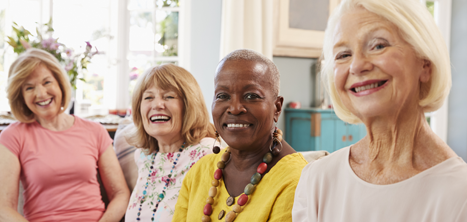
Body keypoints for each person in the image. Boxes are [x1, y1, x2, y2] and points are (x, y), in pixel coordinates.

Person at [292, 0, 467, 221]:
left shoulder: (460, 194)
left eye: (378, 45)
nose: (357, 66)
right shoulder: (317, 180)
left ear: (425, 64)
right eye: (343, 54)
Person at [172, 49, 308, 222]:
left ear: (277, 108)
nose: (235, 108)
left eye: (251, 96)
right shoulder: (199, 172)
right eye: (222, 96)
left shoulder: (296, 181)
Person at [0, 48, 130, 222]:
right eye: (29, 88)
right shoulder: (13, 136)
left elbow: (120, 194)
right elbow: (4, 208)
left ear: (60, 83)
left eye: (47, 82)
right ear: (21, 96)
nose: (41, 93)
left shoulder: (95, 131)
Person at [124, 64, 219, 222]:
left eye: (169, 96)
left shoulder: (208, 152)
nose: (157, 105)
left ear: (189, 105)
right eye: (148, 97)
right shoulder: (143, 156)